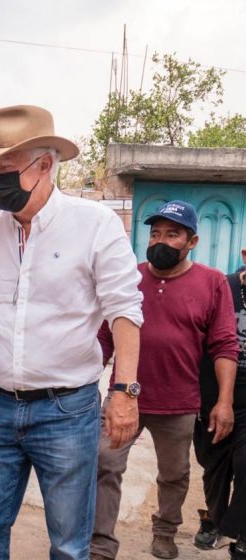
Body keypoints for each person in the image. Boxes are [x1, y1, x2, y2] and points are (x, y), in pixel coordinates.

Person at [0, 105, 145, 560]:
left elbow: (124, 309)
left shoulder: (95, 225)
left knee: (68, 541)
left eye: (7, 169)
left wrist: (124, 391)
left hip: (67, 410)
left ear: (45, 165)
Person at [90, 200, 238, 560]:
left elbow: (224, 344)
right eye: (155, 233)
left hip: (179, 402)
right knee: (104, 465)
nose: (160, 241)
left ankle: (165, 530)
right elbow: (105, 336)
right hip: (125, 399)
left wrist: (223, 401)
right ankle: (100, 542)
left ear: (193, 241)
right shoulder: (131, 276)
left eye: (172, 235)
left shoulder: (213, 282)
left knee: (174, 474)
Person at [192, 249, 246, 559]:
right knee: (214, 468)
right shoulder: (222, 288)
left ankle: (237, 535)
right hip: (212, 395)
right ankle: (214, 516)